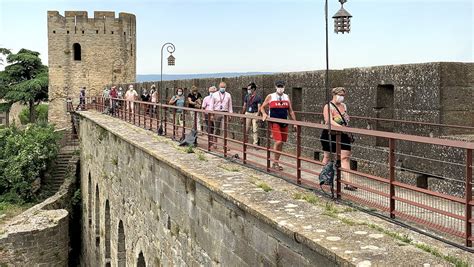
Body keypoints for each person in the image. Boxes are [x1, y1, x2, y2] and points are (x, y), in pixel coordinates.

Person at [320, 87, 355, 190]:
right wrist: (342, 127)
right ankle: (324, 177)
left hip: (343, 135)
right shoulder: (328, 106)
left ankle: (348, 183)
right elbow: (328, 121)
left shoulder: (344, 106)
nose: (341, 97)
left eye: (343, 95)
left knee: (345, 157)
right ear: (334, 95)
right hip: (330, 134)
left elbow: (345, 117)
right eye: (340, 95)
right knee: (327, 156)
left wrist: (345, 122)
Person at [260, 81, 296, 171]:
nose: (280, 88)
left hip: (284, 121)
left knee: (282, 142)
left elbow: (290, 111)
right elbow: (262, 107)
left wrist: (295, 122)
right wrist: (264, 114)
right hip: (274, 121)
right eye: (279, 86)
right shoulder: (271, 96)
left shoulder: (286, 97)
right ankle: (275, 162)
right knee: (278, 141)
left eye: (282, 86)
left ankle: (276, 162)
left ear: (284, 87)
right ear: (275, 87)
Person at [209, 82, 233, 149]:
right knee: (216, 129)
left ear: (226, 87)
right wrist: (211, 114)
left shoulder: (228, 95)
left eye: (224, 87)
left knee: (225, 129)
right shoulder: (214, 94)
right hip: (216, 112)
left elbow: (230, 105)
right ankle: (215, 143)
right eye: (221, 87)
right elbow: (211, 105)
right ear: (219, 87)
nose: (223, 88)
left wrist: (230, 114)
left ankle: (225, 145)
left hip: (225, 113)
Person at [242, 82, 263, 146]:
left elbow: (259, 107)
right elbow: (244, 106)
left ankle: (255, 143)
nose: (248, 90)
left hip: (255, 113)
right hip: (248, 113)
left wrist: (258, 115)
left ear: (253, 89)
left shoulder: (258, 97)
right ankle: (245, 142)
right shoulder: (246, 96)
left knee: (255, 129)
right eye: (248, 89)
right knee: (246, 129)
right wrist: (242, 114)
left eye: (249, 89)